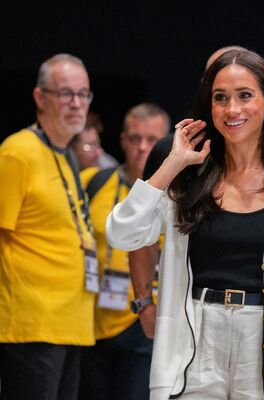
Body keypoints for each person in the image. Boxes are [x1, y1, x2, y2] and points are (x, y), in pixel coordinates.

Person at [105, 49, 264, 399]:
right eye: (220, 98)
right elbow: (122, 234)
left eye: (245, 95)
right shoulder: (186, 177)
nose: (232, 109)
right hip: (194, 341)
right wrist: (172, 164)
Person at [127, 45, 249, 344]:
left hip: (260, 318)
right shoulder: (171, 150)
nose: (232, 104)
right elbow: (139, 232)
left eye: (243, 92)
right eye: (219, 88)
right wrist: (144, 301)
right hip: (186, 316)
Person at [0, 53, 95, 400]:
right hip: (32, 324)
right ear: (40, 98)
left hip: (71, 323)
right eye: (65, 93)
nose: (76, 103)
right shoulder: (17, 153)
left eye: (83, 94)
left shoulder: (66, 155)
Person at [77, 103, 169, 400]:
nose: (142, 147)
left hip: (144, 318)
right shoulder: (94, 182)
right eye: (135, 138)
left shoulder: (177, 196)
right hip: (92, 319)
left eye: (152, 140)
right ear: (122, 140)